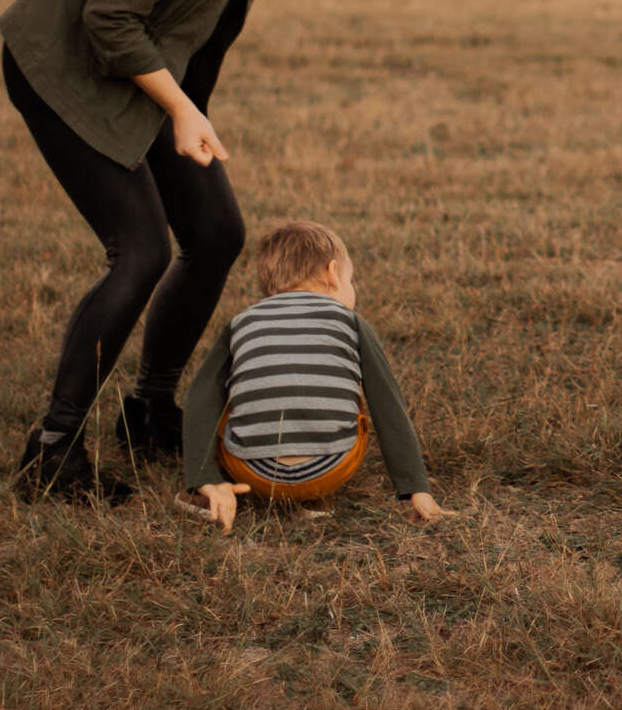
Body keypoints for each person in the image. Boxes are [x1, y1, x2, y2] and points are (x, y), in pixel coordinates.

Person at [1, 0, 381, 503]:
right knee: (139, 250)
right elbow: (107, 15)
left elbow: (199, 17)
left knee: (214, 234)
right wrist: (176, 106)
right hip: (65, 67)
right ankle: (52, 450)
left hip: (145, 75)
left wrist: (186, 107)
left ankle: (147, 410)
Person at [177, 221, 453, 532]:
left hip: (252, 471)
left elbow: (202, 397)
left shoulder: (242, 322)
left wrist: (203, 477)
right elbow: (389, 406)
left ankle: (205, 493)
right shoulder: (350, 321)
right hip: (331, 468)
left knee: (229, 396)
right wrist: (416, 488)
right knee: (351, 392)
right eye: (351, 279)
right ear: (332, 272)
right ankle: (314, 497)